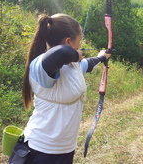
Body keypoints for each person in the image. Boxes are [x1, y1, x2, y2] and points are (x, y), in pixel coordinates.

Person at [21, 13, 111, 164]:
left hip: (64, 149)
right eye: (79, 41)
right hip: (41, 149)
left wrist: (102, 57)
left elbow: (88, 64)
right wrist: (75, 55)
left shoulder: (72, 66)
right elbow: (62, 53)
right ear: (69, 41)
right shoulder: (40, 66)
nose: (80, 45)